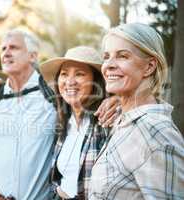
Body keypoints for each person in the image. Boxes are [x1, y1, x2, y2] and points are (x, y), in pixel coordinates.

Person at [89, 23, 184, 200]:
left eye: (123, 56)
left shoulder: (156, 132)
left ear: (149, 67)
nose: (108, 65)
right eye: (106, 57)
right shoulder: (122, 120)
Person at [0, 29, 57, 200]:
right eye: (3, 49)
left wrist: (113, 101)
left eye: (14, 47)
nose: (6, 53)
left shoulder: (53, 92)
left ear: (33, 56)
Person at [39, 46, 109, 200]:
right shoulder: (64, 121)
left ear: (95, 81)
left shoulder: (106, 121)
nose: (70, 82)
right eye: (64, 74)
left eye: (79, 74)